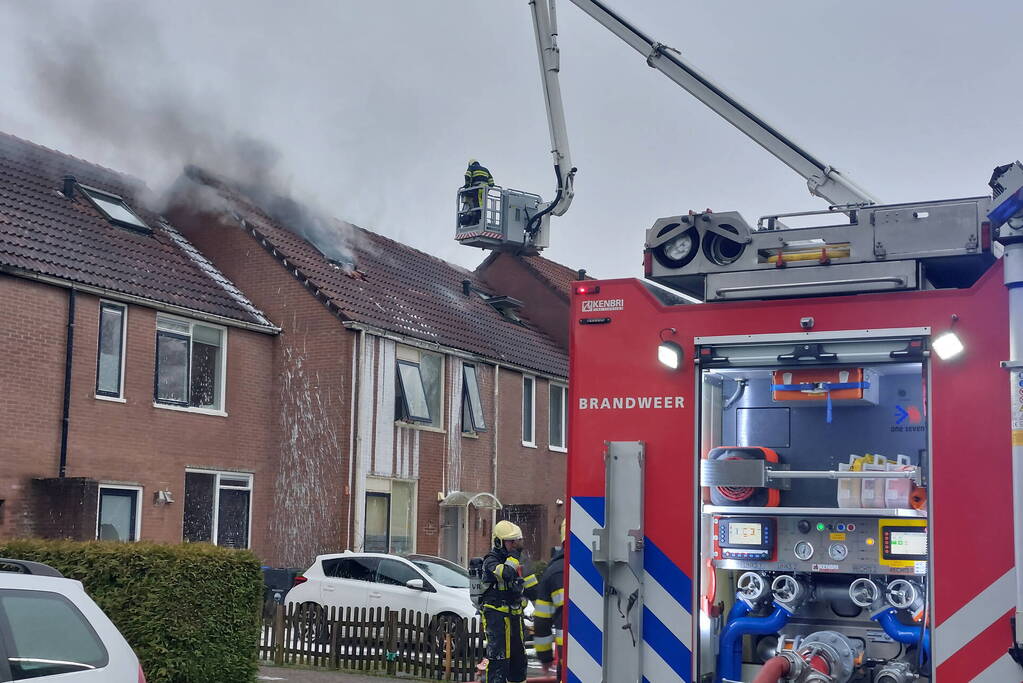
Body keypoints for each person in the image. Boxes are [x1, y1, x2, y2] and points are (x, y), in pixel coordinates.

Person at [480, 520, 527, 683]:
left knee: (519, 660)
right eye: (510, 541)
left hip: (515, 616)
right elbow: (506, 573)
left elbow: (529, 585)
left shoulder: (515, 561)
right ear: (499, 542)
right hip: (496, 617)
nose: (514, 545)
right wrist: (514, 556)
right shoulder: (490, 561)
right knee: (499, 660)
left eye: (516, 541)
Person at [530, 520, 566, 680]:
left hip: (568, 659)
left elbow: (541, 621)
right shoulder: (603, 568)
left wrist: (545, 657)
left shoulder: (554, 572)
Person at [461, 159, 495, 225]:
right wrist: (488, 188)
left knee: (477, 202)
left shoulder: (472, 168)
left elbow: (467, 175)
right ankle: (481, 217)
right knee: (482, 203)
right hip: (484, 189)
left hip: (477, 188)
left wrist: (467, 185)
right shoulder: (485, 169)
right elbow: (492, 183)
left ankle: (477, 217)